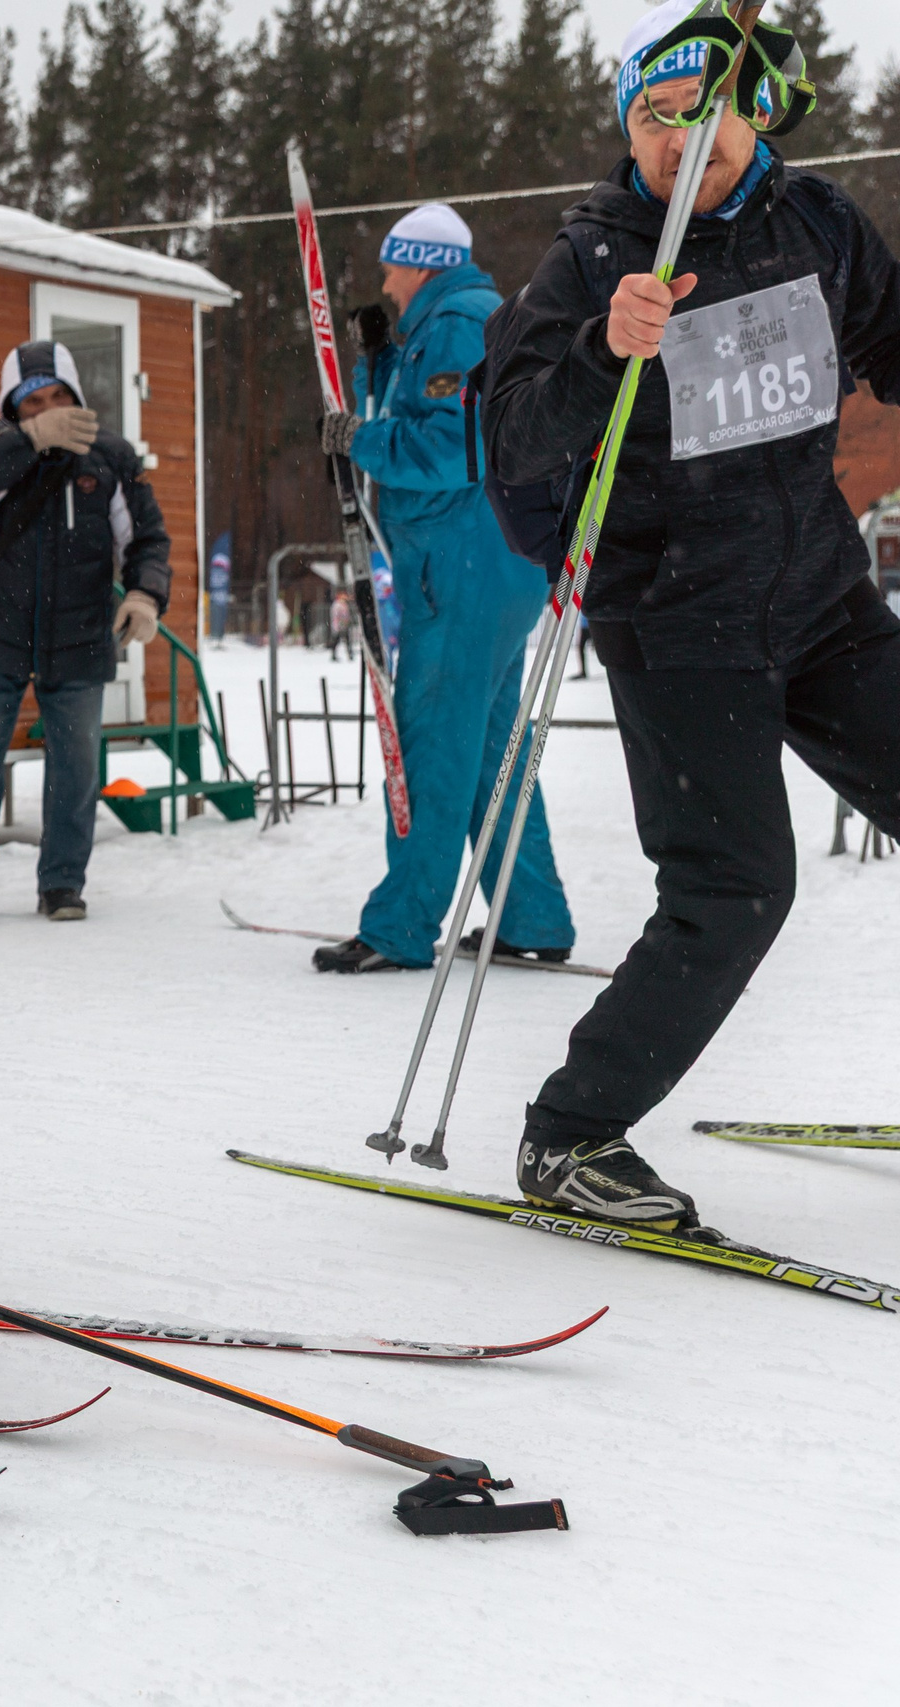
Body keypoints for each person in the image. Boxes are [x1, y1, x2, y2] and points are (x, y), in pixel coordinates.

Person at [482, 1, 900, 1227]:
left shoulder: (816, 224)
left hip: (819, 598)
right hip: (675, 622)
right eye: (652, 118)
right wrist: (602, 352)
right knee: (734, 887)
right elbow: (511, 440)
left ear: (750, 115)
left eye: (698, 112)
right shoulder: (594, 254)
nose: (677, 137)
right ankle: (570, 1137)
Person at [311, 204, 575, 976]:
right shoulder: (452, 324)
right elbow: (426, 412)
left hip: (463, 569)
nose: (386, 283)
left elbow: (455, 448)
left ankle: (401, 923)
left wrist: (360, 438)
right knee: (492, 754)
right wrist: (376, 362)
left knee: (432, 749)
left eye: (393, 266)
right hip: (489, 567)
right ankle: (532, 915)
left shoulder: (459, 325)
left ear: (421, 262)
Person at [0, 340, 171, 922]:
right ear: (14, 405)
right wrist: (30, 441)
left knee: (77, 767)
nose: (49, 407)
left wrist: (143, 593)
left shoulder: (109, 455)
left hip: (82, 635)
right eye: (34, 399)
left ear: (78, 397)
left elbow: (147, 538)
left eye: (60, 396)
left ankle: (62, 884)